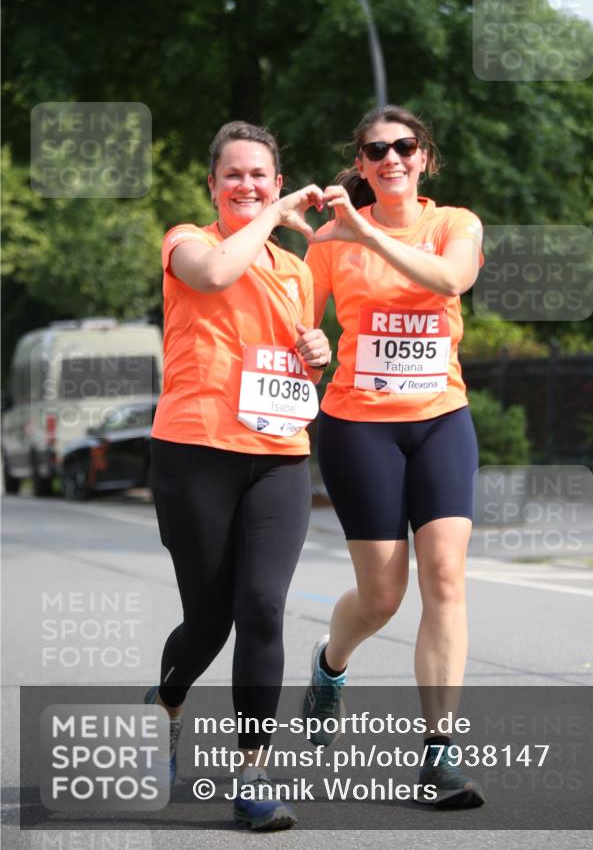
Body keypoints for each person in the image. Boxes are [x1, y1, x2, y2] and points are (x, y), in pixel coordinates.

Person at [147, 121, 331, 832]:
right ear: (212, 186)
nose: (248, 186)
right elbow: (218, 276)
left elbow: (289, 358)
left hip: (279, 455)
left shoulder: (296, 270)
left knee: (261, 609)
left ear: (277, 181)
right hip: (196, 452)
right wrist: (276, 221)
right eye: (234, 175)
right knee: (209, 620)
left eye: (261, 175)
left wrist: (316, 350)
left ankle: (252, 776)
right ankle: (164, 704)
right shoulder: (184, 241)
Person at [301, 105, 485, 808]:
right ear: (361, 162)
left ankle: (438, 753)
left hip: (440, 419)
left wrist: (367, 234)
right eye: (375, 150)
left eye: (404, 147)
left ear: (424, 158)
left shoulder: (453, 224)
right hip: (358, 426)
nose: (391, 159)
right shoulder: (327, 242)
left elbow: (449, 281)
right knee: (382, 596)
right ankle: (330, 663)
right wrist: (307, 345)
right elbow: (298, 323)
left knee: (444, 579)